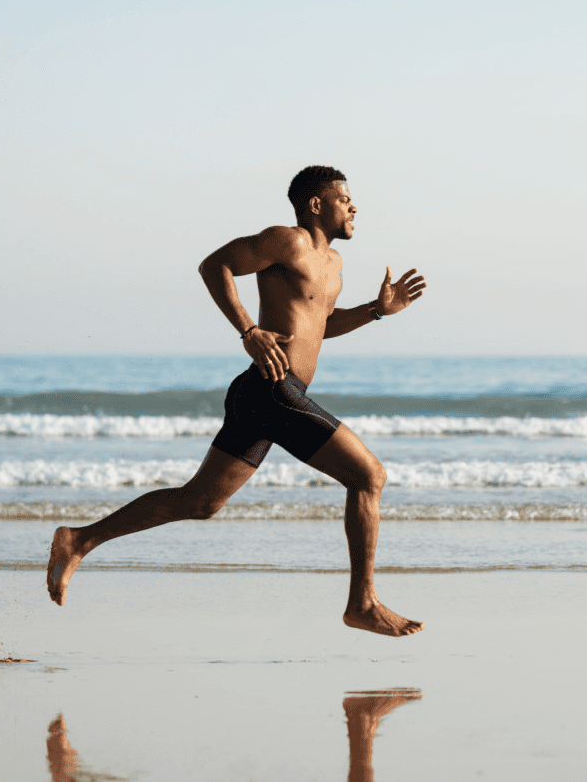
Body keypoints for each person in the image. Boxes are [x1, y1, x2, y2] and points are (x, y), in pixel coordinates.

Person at [46, 166, 427, 637]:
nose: (354, 207)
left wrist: (375, 311)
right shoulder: (288, 240)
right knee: (369, 476)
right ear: (315, 204)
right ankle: (362, 603)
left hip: (269, 394)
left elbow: (320, 325)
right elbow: (214, 265)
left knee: (200, 501)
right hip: (273, 388)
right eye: (344, 199)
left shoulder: (333, 265)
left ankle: (78, 540)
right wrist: (248, 330)